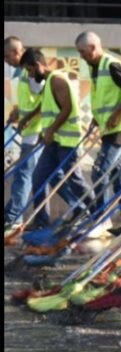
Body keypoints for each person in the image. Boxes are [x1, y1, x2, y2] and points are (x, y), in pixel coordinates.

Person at [20, 48, 94, 229]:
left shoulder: (58, 80)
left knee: (74, 180)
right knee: (38, 178)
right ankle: (41, 222)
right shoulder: (48, 82)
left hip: (67, 141)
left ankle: (97, 211)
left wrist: (51, 130)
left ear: (38, 65)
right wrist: (39, 128)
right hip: (54, 141)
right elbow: (47, 109)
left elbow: (67, 108)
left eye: (30, 70)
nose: (30, 75)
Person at [76, 32, 121, 224]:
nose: (81, 56)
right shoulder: (94, 66)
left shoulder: (111, 64)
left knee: (99, 171)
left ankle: (102, 218)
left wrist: (116, 114)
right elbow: (104, 96)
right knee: (117, 173)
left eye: (82, 52)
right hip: (108, 128)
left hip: (120, 128)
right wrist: (98, 118)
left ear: (93, 48)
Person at [3, 36, 44, 229]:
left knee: (24, 174)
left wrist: (27, 118)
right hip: (31, 130)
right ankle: (39, 219)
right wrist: (18, 112)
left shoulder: (32, 72)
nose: (5, 60)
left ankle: (13, 217)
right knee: (35, 176)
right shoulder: (22, 74)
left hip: (37, 131)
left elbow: (45, 101)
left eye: (6, 55)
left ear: (17, 52)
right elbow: (31, 101)